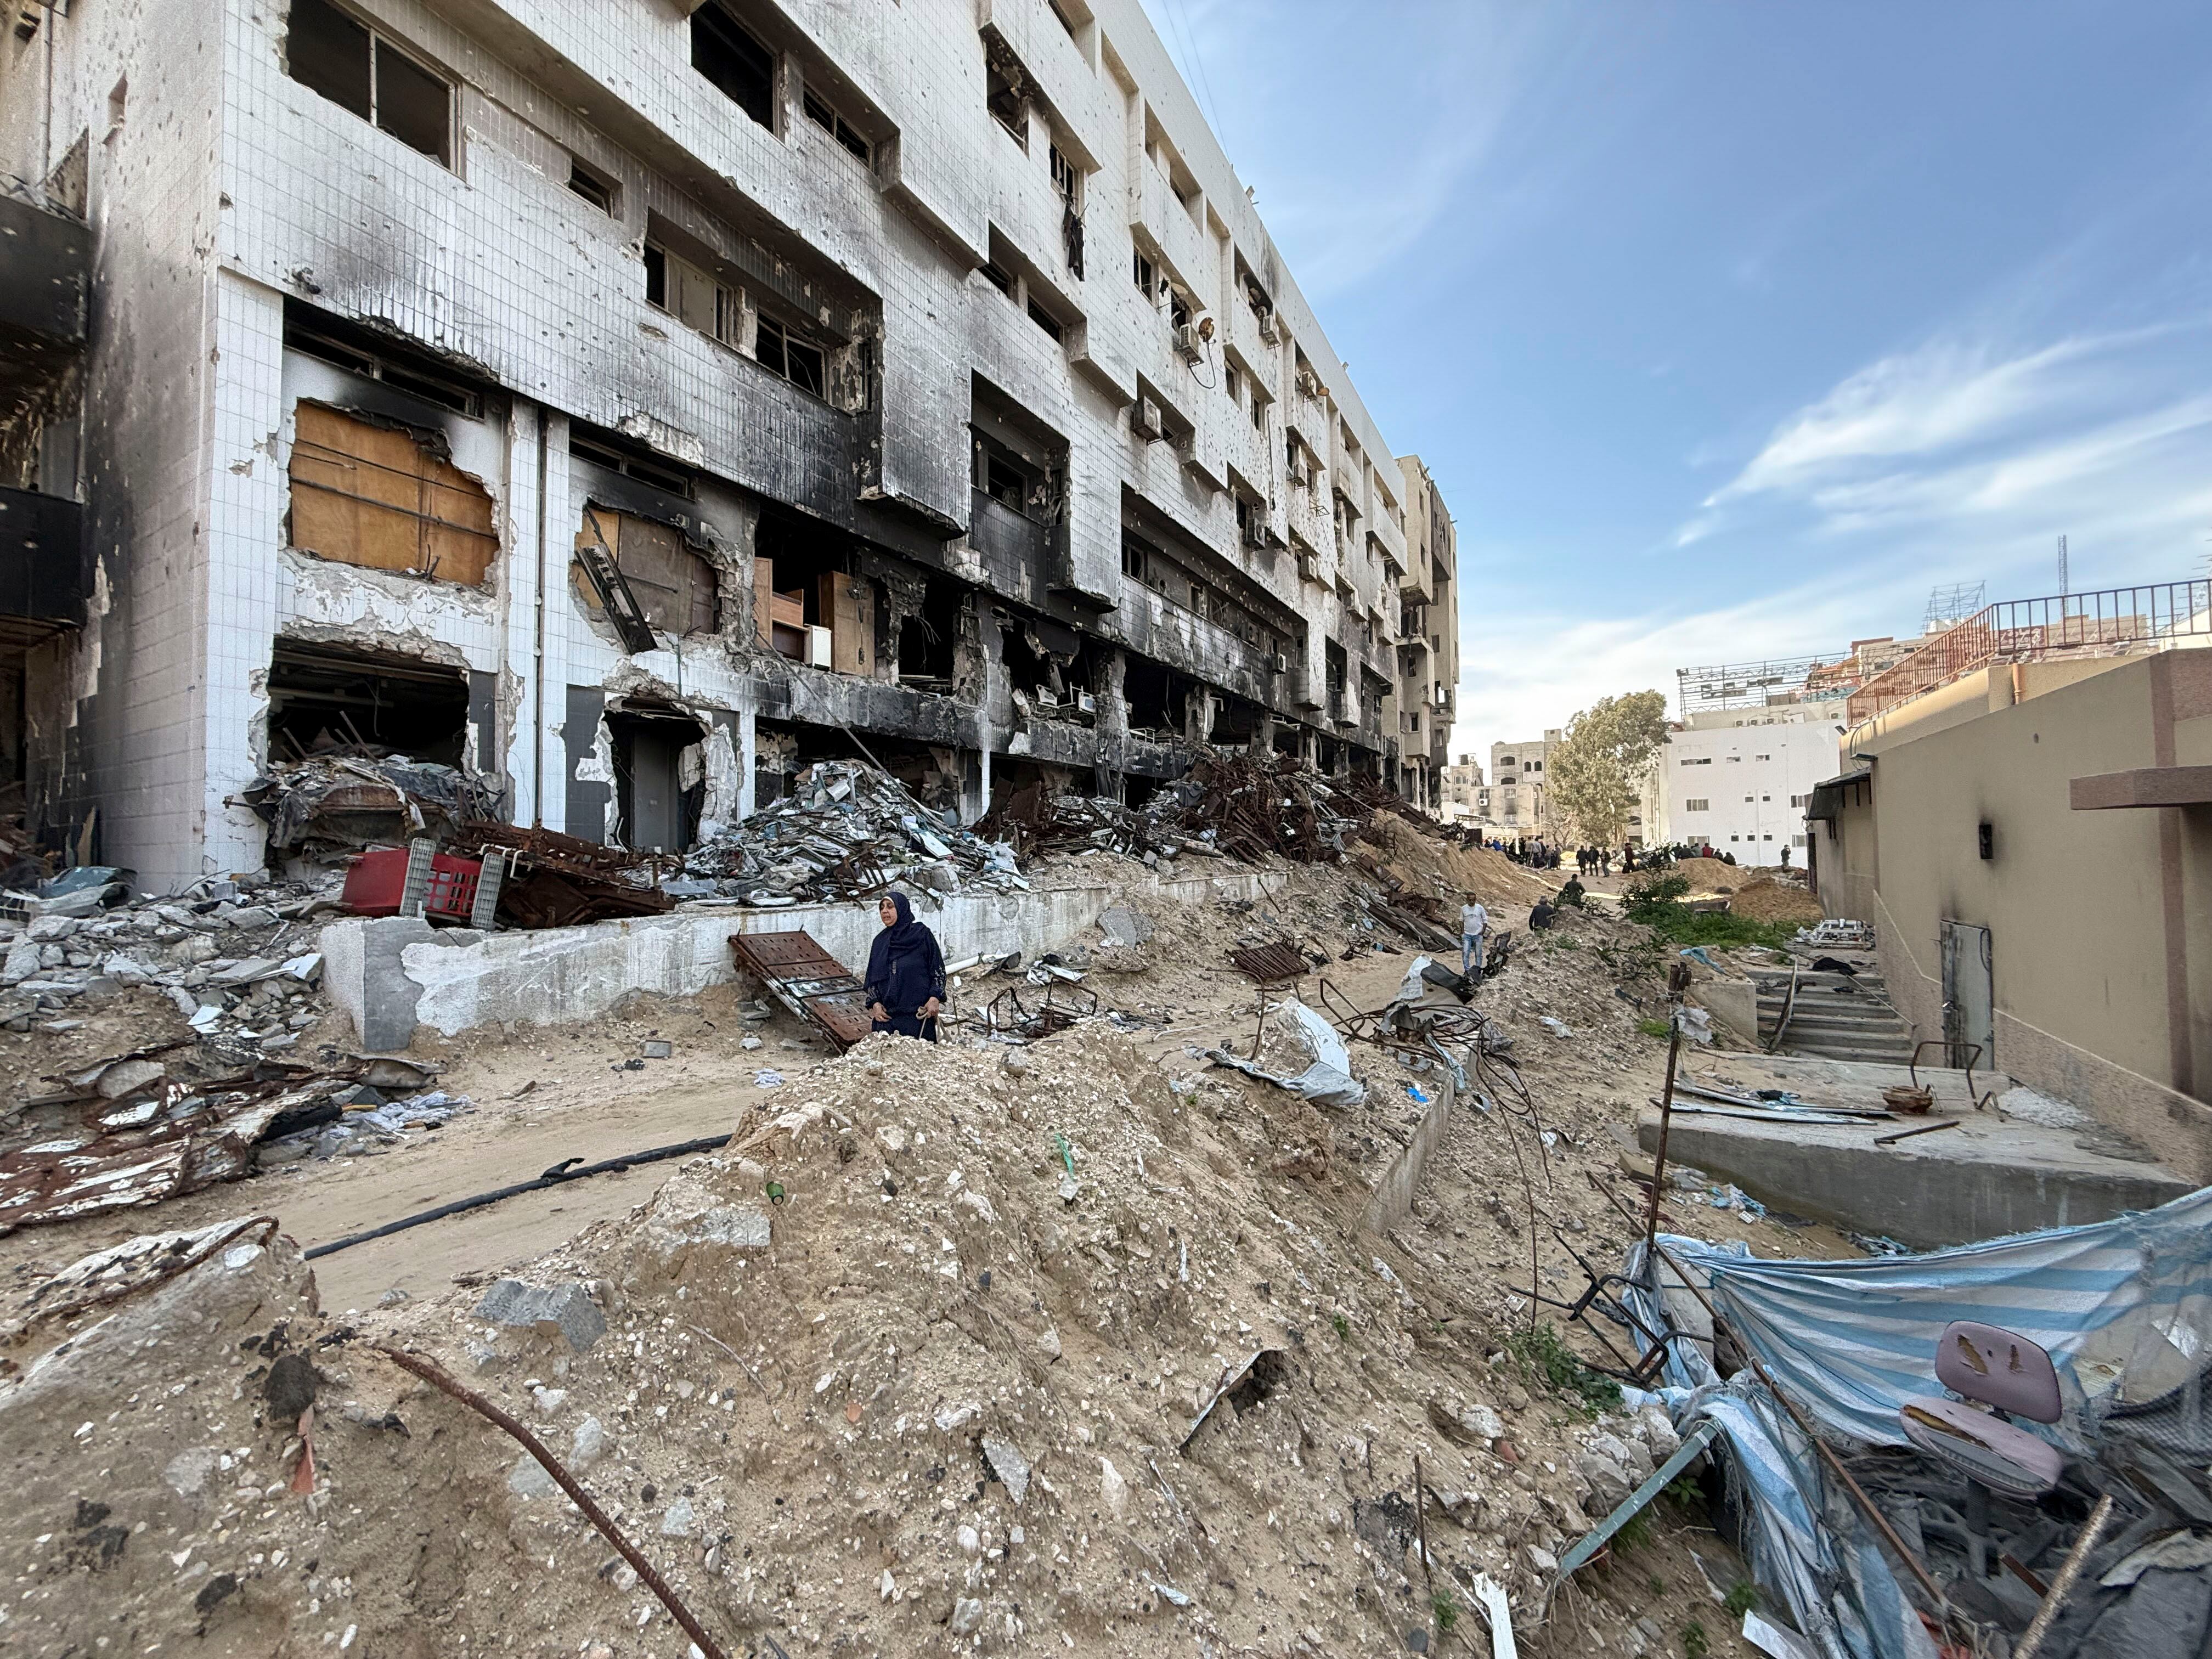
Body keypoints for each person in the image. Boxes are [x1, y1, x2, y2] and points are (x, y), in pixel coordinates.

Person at [864, 891, 945, 1041]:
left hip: (917, 1020)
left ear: (902, 909)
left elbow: (938, 970)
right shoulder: (880, 942)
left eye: (890, 906)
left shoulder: (922, 935)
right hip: (886, 1022)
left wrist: (935, 998)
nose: (884, 911)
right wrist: (875, 1004)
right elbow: (872, 979)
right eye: (882, 908)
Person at [1460, 896, 1489, 978]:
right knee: (1466, 952)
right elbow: (1461, 920)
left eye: (1473, 900)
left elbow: (1485, 920)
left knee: (1478, 954)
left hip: (1478, 935)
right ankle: (1467, 970)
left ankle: (1477, 970)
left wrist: (1483, 931)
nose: (1472, 902)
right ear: (1467, 900)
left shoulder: (1480, 908)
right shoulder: (1463, 909)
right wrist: (1462, 931)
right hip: (1467, 935)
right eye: (1470, 900)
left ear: (1476, 900)